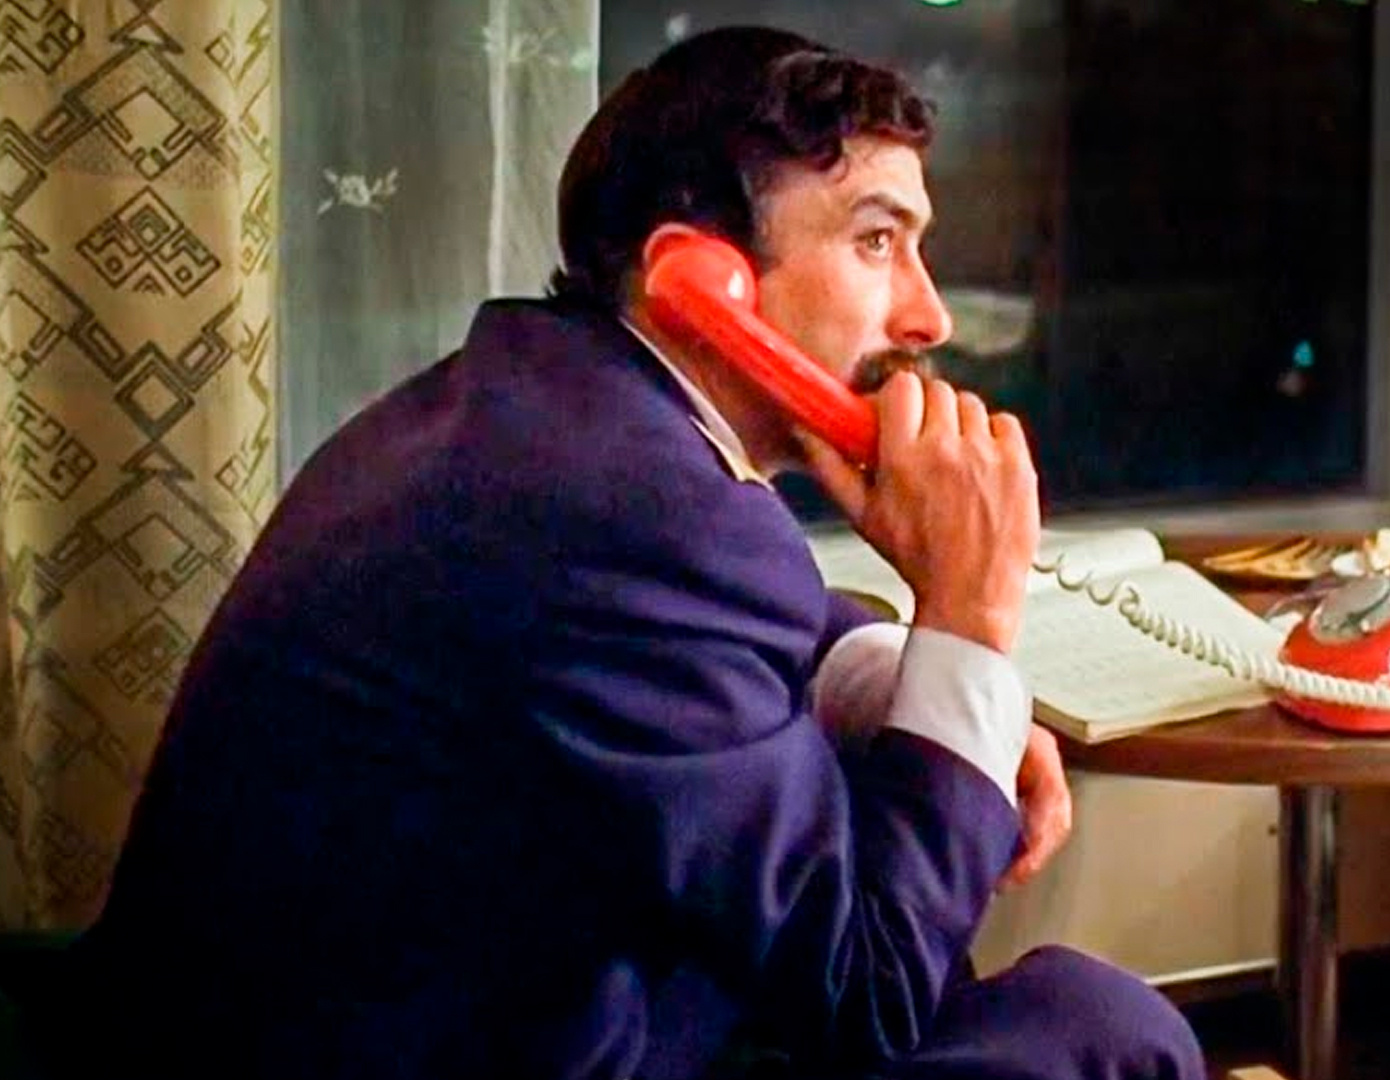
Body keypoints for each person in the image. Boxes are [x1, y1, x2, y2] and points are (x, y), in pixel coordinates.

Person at [62, 25, 1206, 1080]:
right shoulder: (637, 512)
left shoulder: (542, 409)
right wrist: (970, 623)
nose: (929, 317)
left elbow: (749, 627)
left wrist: (923, 689)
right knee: (1102, 1026)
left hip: (392, 1017)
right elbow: (870, 992)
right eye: (875, 241)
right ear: (701, 285)